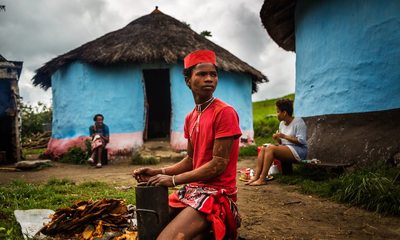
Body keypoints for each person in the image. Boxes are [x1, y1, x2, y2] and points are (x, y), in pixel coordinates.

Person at [132, 50, 242, 240]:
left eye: (213, 74)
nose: (209, 79)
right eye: (201, 74)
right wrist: (160, 172)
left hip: (216, 195)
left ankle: (219, 222)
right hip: (193, 191)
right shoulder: (190, 117)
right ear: (188, 81)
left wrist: (173, 181)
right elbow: (191, 160)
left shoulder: (225, 112)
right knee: (150, 223)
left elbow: (218, 164)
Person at [247, 99, 308, 186]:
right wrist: (278, 139)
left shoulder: (298, 122)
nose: (277, 114)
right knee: (264, 147)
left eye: (278, 111)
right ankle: (256, 177)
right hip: (288, 149)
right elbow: (282, 142)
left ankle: (262, 179)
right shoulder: (282, 124)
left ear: (285, 113)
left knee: (271, 148)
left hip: (299, 151)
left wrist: (284, 136)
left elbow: (301, 141)